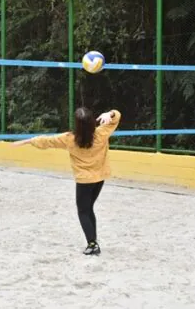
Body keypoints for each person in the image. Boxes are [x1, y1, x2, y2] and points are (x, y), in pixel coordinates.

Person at [12, 107, 121, 255]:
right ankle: (93, 240)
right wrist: (110, 113)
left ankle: (92, 244)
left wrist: (29, 141)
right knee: (88, 209)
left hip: (84, 181)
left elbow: (47, 141)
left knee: (83, 211)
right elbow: (116, 117)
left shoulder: (69, 138)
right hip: (99, 178)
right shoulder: (102, 133)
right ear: (92, 122)